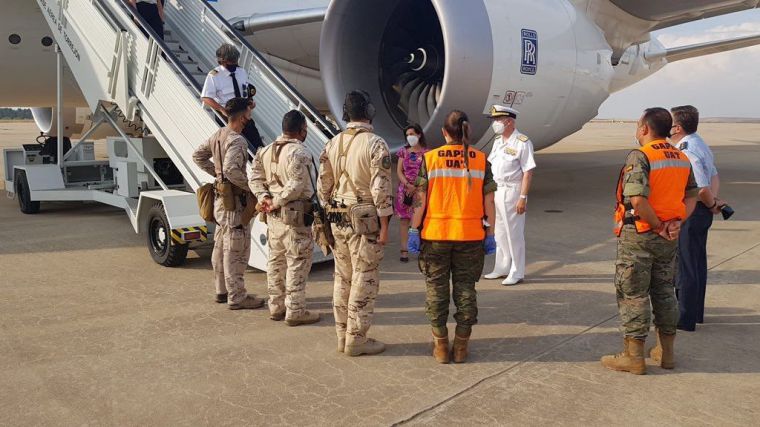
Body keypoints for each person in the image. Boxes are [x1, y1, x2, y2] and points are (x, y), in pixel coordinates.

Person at [601, 107, 698, 375]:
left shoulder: (641, 156)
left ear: (644, 128)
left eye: (637, 125)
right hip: (669, 238)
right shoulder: (680, 156)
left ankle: (633, 357)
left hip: (640, 235)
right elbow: (693, 195)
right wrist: (675, 224)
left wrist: (656, 225)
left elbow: (638, 200)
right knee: (665, 292)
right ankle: (666, 353)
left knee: (633, 295)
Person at [407, 110, 498, 364]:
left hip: (435, 236)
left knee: (436, 290)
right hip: (470, 237)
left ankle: (439, 346)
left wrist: (414, 230)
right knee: (466, 290)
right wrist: (490, 232)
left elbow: (420, 201)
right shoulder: (481, 160)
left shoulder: (432, 158)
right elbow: (490, 200)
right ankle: (460, 347)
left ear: (444, 132)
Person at [317, 90, 393, 357]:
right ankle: (357, 339)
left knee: (343, 277)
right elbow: (381, 190)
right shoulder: (375, 144)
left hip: (337, 217)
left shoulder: (332, 143)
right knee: (365, 277)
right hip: (365, 221)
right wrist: (384, 227)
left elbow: (322, 188)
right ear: (369, 112)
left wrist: (330, 211)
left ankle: (342, 336)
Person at [192, 97, 266, 310]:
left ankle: (221, 290)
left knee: (221, 244)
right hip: (234, 202)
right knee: (235, 248)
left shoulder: (217, 135)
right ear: (243, 117)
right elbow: (233, 170)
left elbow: (198, 156)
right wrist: (250, 187)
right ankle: (237, 296)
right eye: (248, 115)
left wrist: (217, 175)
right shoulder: (237, 140)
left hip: (220, 200)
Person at [249, 110, 321, 326]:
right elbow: (297, 185)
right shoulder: (299, 152)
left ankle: (276, 306)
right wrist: (277, 201)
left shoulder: (265, 151)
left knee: (276, 261)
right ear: (301, 130)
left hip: (273, 218)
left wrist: (264, 198)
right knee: (297, 262)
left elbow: (255, 178)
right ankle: (295, 310)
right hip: (294, 216)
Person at [670, 105, 725, 332]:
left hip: (693, 212)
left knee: (686, 267)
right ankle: (696, 313)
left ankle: (685, 318)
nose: (669, 127)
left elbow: (701, 187)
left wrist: (710, 202)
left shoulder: (687, 150)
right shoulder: (699, 142)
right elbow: (714, 175)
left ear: (678, 127)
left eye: (671, 123)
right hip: (703, 211)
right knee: (697, 264)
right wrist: (713, 202)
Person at [483, 105, 536, 286]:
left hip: (513, 191)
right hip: (497, 190)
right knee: (499, 232)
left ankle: (517, 271)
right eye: (494, 121)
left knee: (514, 233)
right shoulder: (498, 141)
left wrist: (523, 197)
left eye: (498, 120)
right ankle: (502, 267)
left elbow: (528, 172)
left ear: (509, 121)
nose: (495, 124)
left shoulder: (522, 142)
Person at [201, 44, 264, 153]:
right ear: (222, 61)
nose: (234, 64)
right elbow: (206, 97)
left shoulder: (241, 72)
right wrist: (221, 109)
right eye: (231, 62)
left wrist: (250, 102)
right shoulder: (214, 76)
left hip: (244, 112)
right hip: (228, 115)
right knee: (236, 146)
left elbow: (245, 90)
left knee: (257, 143)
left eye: (235, 61)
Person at [395, 123, 428, 263]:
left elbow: (428, 172)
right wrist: (408, 185)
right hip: (405, 191)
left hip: (420, 190)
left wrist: (416, 186)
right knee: (404, 220)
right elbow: (399, 171)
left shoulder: (427, 153)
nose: (410, 137)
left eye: (412, 134)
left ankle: (420, 247)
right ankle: (404, 250)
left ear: (419, 134)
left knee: (421, 220)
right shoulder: (403, 151)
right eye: (407, 135)